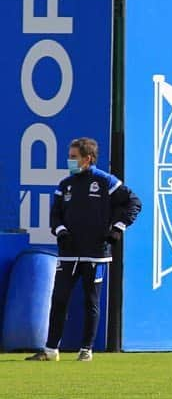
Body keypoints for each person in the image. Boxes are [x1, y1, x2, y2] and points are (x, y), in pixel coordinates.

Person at [26, 138, 142, 362]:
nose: (69, 160)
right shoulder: (65, 185)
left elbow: (134, 202)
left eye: (73, 157)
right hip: (69, 253)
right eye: (69, 156)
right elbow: (55, 214)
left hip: (95, 254)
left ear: (87, 159)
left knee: (91, 301)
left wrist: (117, 229)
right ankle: (51, 350)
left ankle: (86, 350)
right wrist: (61, 231)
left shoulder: (105, 181)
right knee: (59, 299)